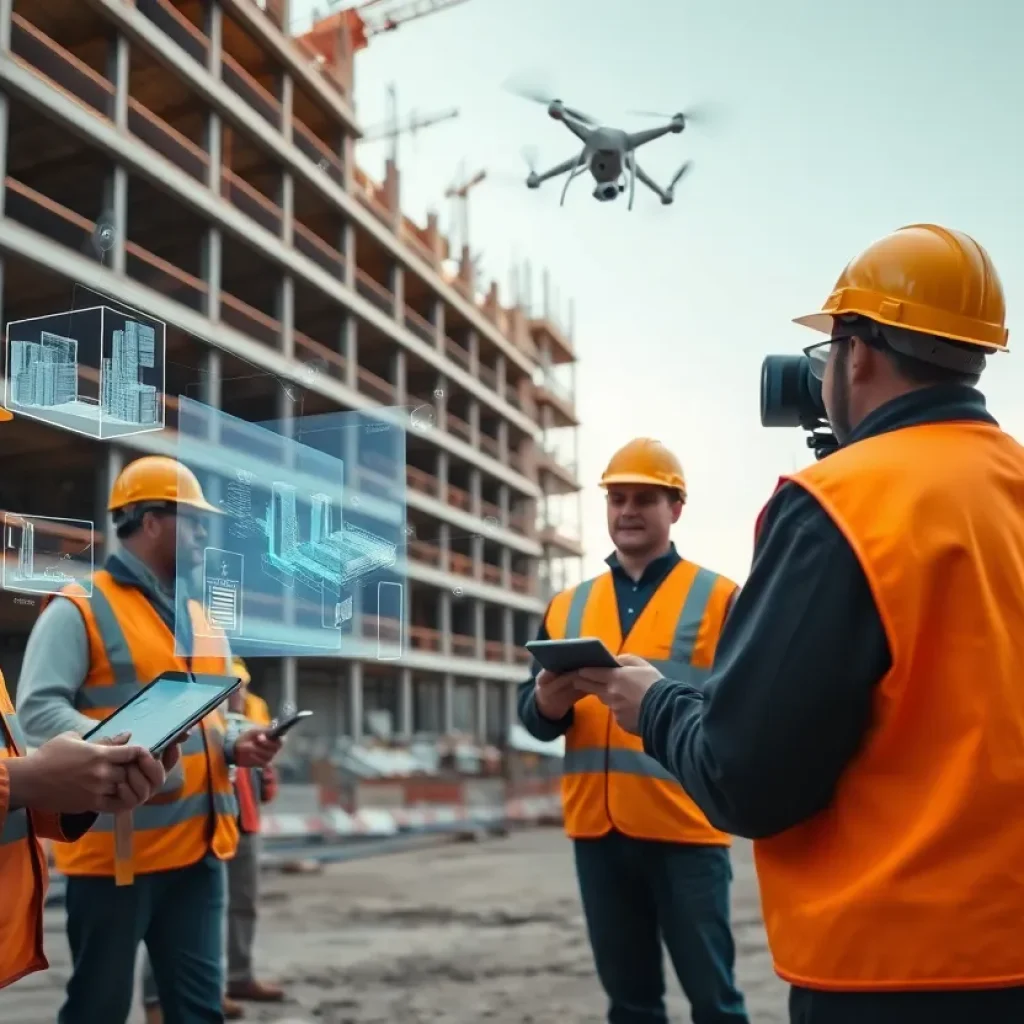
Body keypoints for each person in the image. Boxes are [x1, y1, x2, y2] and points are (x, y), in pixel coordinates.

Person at [573, 224, 1024, 1024]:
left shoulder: (840, 505)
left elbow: (746, 779)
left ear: (854, 352)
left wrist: (658, 707)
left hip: (892, 973)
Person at [17, 455, 283, 1024]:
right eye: (194, 518)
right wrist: (109, 750)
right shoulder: (79, 605)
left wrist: (241, 741)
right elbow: (38, 711)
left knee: (197, 1011)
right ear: (150, 520)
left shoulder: (200, 616)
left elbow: (210, 716)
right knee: (99, 1009)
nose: (206, 531)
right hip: (116, 858)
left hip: (200, 851)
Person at [518, 437, 748, 1024]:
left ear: (676, 507)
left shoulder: (721, 598)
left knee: (715, 1002)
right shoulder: (567, 606)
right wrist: (545, 701)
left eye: (645, 498)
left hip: (687, 831)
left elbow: (744, 713)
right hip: (598, 833)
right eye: (617, 498)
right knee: (630, 1003)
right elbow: (534, 721)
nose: (628, 510)